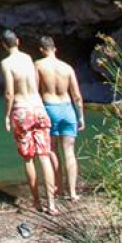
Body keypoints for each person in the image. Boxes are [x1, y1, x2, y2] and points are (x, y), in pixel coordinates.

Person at [0, 28, 58, 214]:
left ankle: (36, 202)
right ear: (18, 41)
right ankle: (52, 204)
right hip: (38, 107)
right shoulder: (28, 59)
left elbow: (10, 93)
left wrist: (7, 116)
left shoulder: (6, 63)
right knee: (45, 155)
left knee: (28, 158)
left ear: (3, 45)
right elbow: (36, 83)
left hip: (22, 109)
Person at [36, 35, 85, 201]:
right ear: (55, 49)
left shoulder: (39, 65)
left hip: (50, 108)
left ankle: (57, 189)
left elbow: (35, 91)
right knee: (69, 152)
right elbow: (77, 96)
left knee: (53, 150)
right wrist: (81, 116)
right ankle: (72, 193)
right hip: (68, 109)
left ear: (42, 50)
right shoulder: (67, 68)